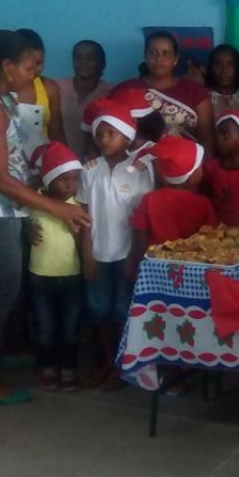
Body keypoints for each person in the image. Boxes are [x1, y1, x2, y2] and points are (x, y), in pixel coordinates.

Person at [0, 30, 90, 405]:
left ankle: (5, 351)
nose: (33, 74)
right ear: (7, 66)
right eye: (29, 67)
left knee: (13, 292)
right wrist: (56, 207)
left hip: (8, 207)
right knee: (2, 294)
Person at [77, 101, 154, 391]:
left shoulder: (138, 171)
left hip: (126, 254)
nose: (104, 139)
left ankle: (123, 363)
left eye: (112, 133)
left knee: (123, 309)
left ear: (126, 137)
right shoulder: (90, 171)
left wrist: (136, 256)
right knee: (99, 309)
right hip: (97, 253)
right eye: (100, 134)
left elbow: (140, 219)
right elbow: (84, 217)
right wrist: (86, 254)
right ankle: (108, 359)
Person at [26, 142, 86, 392]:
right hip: (40, 277)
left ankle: (68, 368)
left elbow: (84, 241)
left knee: (70, 328)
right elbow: (23, 226)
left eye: (74, 179)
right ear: (49, 180)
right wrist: (27, 231)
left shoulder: (77, 207)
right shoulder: (35, 203)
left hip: (71, 276)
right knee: (45, 328)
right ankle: (47, 367)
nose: (70, 185)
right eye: (63, 180)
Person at [111, 31, 215, 156]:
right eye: (153, 53)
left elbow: (206, 137)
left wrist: (204, 166)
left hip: (183, 164)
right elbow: (109, 131)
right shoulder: (125, 89)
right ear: (145, 56)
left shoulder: (195, 91)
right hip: (133, 163)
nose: (159, 58)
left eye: (166, 53)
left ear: (175, 59)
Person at [128, 136, 216, 272]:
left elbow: (139, 237)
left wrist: (136, 263)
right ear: (191, 177)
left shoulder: (149, 199)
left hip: (155, 267)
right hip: (192, 269)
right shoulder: (203, 204)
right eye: (200, 167)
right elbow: (212, 238)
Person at [203, 111, 239, 227]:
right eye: (217, 134)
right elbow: (205, 200)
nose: (219, 139)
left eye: (226, 135)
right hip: (216, 230)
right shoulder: (210, 167)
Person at [57, 40, 112, 161]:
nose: (83, 62)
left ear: (102, 63)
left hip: (95, 163)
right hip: (60, 161)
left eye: (90, 58)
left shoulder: (110, 93)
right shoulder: (58, 88)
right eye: (78, 57)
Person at [15, 29, 66, 155]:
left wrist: (65, 160)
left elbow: (56, 134)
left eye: (38, 63)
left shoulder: (49, 88)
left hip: (41, 159)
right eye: (28, 65)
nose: (34, 70)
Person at [205, 44, 239, 118]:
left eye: (230, 64)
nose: (224, 70)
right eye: (218, 64)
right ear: (211, 68)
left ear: (237, 68)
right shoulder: (203, 97)